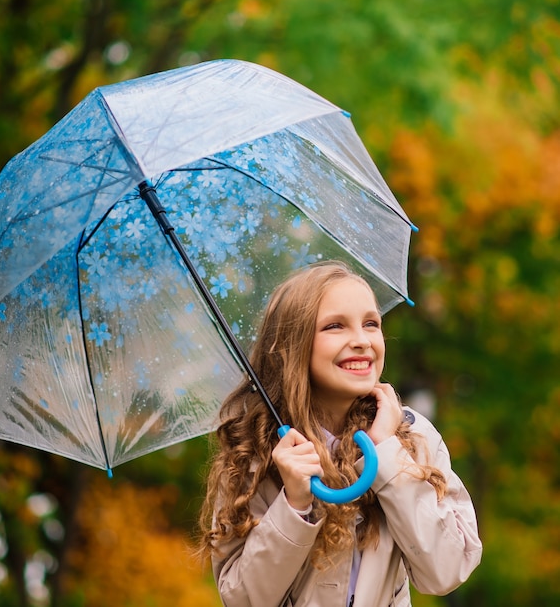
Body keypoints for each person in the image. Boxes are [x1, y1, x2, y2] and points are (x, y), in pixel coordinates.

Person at [198, 260, 482, 607]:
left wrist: (388, 453)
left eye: (371, 324)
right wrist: (294, 504)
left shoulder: (413, 436)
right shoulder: (255, 450)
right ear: (292, 345)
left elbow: (446, 571)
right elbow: (243, 600)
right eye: (335, 326)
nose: (361, 341)